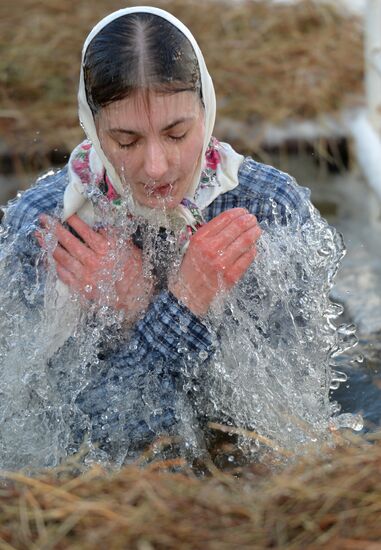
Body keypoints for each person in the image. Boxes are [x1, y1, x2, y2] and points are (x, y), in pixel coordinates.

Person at [0, 7, 340, 467]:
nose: (156, 166)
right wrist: (176, 307)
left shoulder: (269, 209)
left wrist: (152, 312)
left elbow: (284, 427)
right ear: (92, 127)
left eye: (177, 133)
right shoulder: (48, 228)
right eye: (126, 141)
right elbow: (62, 444)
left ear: (207, 109)